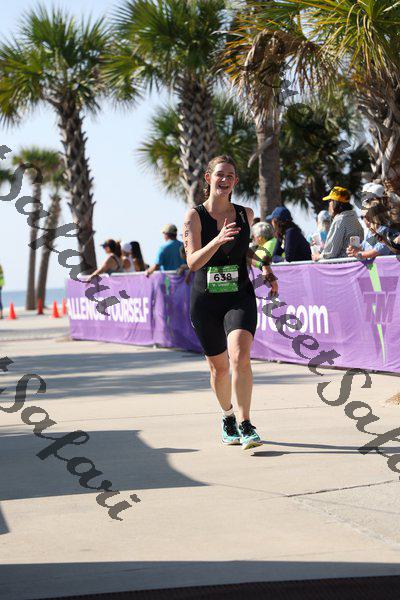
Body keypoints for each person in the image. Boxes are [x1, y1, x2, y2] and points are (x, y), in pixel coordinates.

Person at [184, 155, 278, 450]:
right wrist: (217, 240)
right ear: (208, 178)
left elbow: (243, 253)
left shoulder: (245, 214)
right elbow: (193, 262)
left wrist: (264, 266)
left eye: (230, 176)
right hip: (206, 301)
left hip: (239, 295)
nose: (224, 180)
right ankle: (227, 417)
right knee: (219, 369)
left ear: (235, 181)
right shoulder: (194, 216)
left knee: (240, 355)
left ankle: (246, 423)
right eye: (220, 174)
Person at [312, 187, 364, 261]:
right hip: (356, 263)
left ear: (334, 203)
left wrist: (318, 256)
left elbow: (331, 253)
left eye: (330, 201)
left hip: (344, 265)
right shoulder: (354, 218)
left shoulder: (339, 220)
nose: (329, 204)